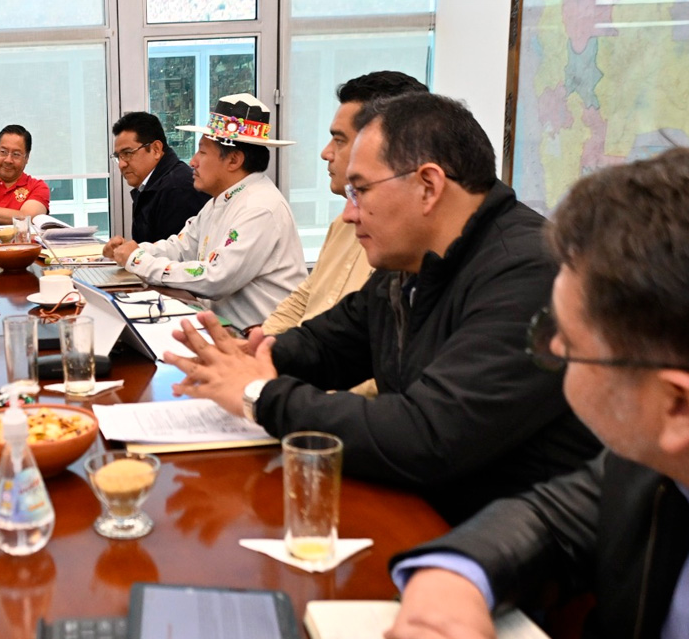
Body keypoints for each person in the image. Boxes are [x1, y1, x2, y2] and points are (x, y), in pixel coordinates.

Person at [165, 93, 601, 524]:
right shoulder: (414, 259)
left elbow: (429, 434)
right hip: (420, 507)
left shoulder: (527, 272)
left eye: (361, 191)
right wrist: (257, 356)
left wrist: (260, 395)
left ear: (428, 186)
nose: (350, 214)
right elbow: (337, 340)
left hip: (500, 545)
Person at [388, 147, 689, 639]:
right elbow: (551, 519)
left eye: (567, 342)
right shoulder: (650, 464)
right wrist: (454, 577)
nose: (550, 347)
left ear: (675, 405)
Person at [102, 93, 307, 331]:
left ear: (233, 160)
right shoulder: (221, 200)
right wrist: (130, 251)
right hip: (226, 331)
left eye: (202, 152)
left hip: (262, 342)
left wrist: (138, 260)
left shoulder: (260, 207)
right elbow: (180, 247)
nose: (192, 161)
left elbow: (215, 277)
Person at [261, 71, 427, 337]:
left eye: (339, 140)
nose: (326, 152)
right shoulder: (343, 221)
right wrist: (261, 345)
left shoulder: (413, 245)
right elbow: (306, 297)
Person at [111, 111, 210, 243]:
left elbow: (176, 256)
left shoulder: (178, 189)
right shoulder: (152, 185)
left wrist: (134, 254)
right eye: (118, 157)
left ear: (156, 149)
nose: (122, 164)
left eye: (128, 153)